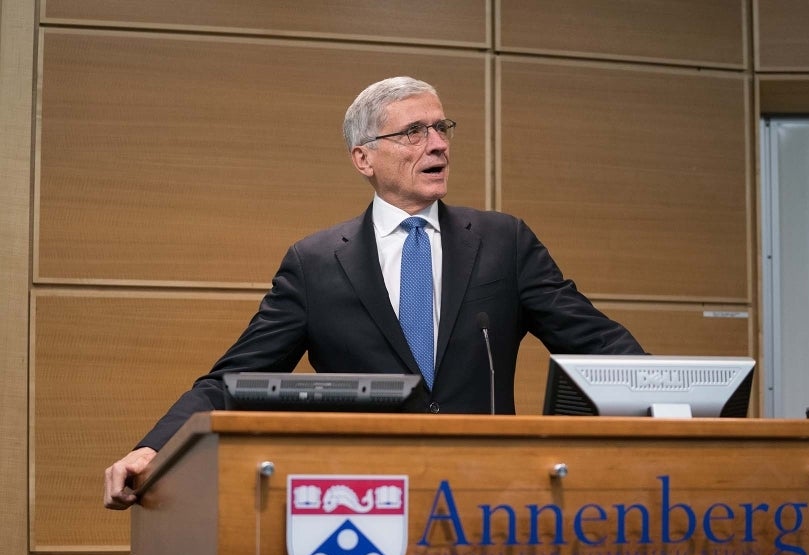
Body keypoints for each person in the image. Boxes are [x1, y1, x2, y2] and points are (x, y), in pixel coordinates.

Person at [103, 76, 644, 510]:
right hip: (366, 502)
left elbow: (596, 342)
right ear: (364, 158)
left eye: (441, 128)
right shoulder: (314, 264)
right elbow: (231, 380)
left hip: (491, 496)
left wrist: (677, 402)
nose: (437, 144)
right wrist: (153, 446)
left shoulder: (504, 241)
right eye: (414, 131)